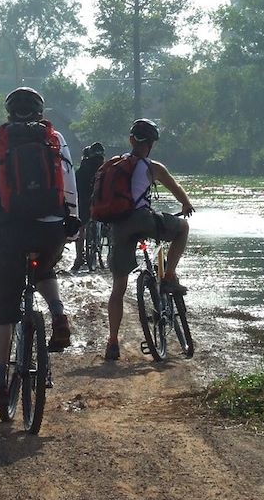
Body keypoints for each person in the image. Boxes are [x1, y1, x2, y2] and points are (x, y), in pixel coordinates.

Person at [0, 87, 79, 408]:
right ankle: (58, 314)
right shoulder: (55, 138)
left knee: (4, 304)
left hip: (12, 228)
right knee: (46, 266)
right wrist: (72, 224)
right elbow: (69, 183)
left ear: (9, 113)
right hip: (52, 228)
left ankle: (0, 385)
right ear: (41, 112)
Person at [105, 118, 194, 360]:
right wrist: (186, 204)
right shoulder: (153, 167)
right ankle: (168, 276)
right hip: (143, 219)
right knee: (182, 228)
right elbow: (177, 190)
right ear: (152, 144)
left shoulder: (114, 165)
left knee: (118, 289)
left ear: (131, 140)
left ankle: (112, 342)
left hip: (119, 225)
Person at [71, 142, 105, 271]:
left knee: (81, 228)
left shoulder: (82, 168)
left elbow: (76, 187)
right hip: (102, 202)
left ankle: (79, 258)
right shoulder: (105, 167)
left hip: (84, 202)